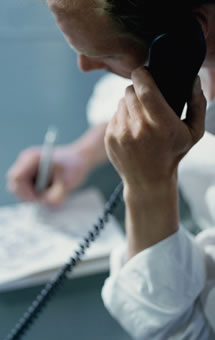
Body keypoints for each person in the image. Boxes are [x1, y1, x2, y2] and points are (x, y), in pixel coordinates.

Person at [7, 0, 215, 338]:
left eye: (110, 55)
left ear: (189, 35)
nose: (85, 66)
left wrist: (149, 186)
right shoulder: (193, 56)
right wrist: (83, 152)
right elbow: (129, 86)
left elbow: (182, 330)